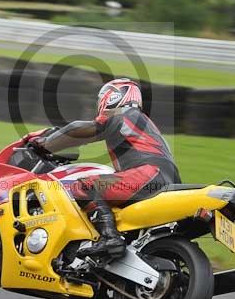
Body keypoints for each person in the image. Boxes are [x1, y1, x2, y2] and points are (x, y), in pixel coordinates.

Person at [31, 78, 181, 259]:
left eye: (101, 98)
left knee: (84, 186)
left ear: (114, 97)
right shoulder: (143, 123)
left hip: (147, 174)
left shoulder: (122, 114)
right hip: (167, 181)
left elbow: (78, 130)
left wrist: (45, 143)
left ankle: (109, 237)